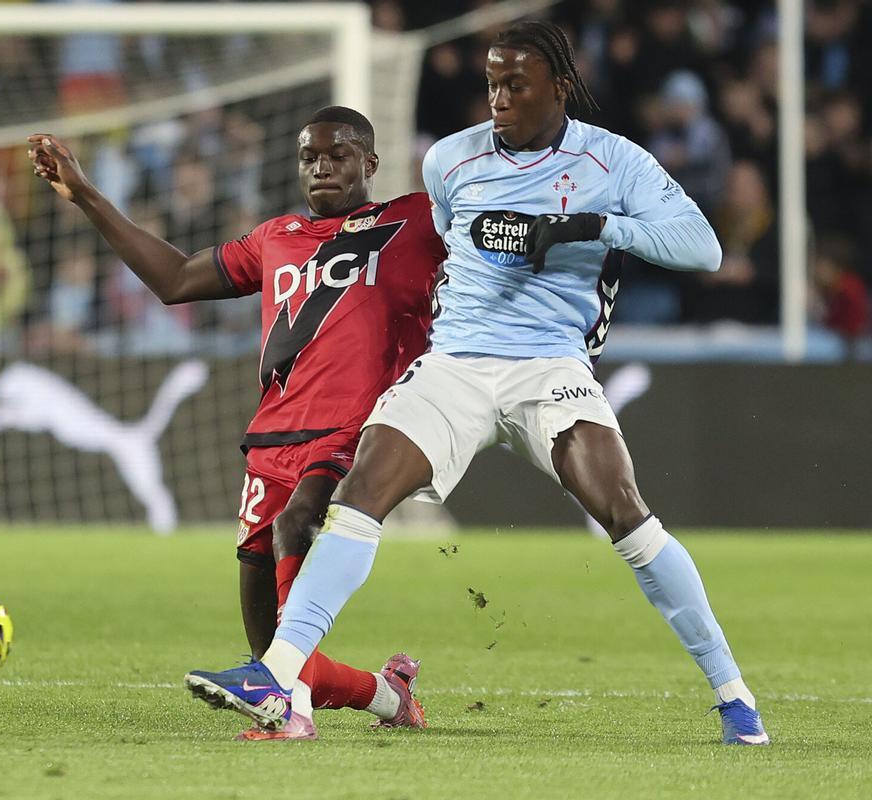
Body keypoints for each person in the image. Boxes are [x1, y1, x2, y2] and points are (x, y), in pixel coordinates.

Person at [185, 21, 770, 747]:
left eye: (514, 84)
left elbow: (702, 245)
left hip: (549, 366)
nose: (497, 98)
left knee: (625, 513)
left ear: (558, 86)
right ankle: (278, 671)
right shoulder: (450, 161)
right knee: (360, 492)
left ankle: (734, 695)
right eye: (491, 82)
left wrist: (588, 226)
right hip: (455, 364)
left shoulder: (613, 160)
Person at [28, 106, 446, 740]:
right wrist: (86, 195)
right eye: (310, 157)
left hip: (359, 428)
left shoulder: (415, 220)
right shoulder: (275, 236)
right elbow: (174, 279)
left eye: (337, 154)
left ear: (371, 163)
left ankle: (294, 718)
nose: (322, 166)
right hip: (272, 437)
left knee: (299, 522)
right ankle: (386, 695)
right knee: (270, 654)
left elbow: (495, 230)